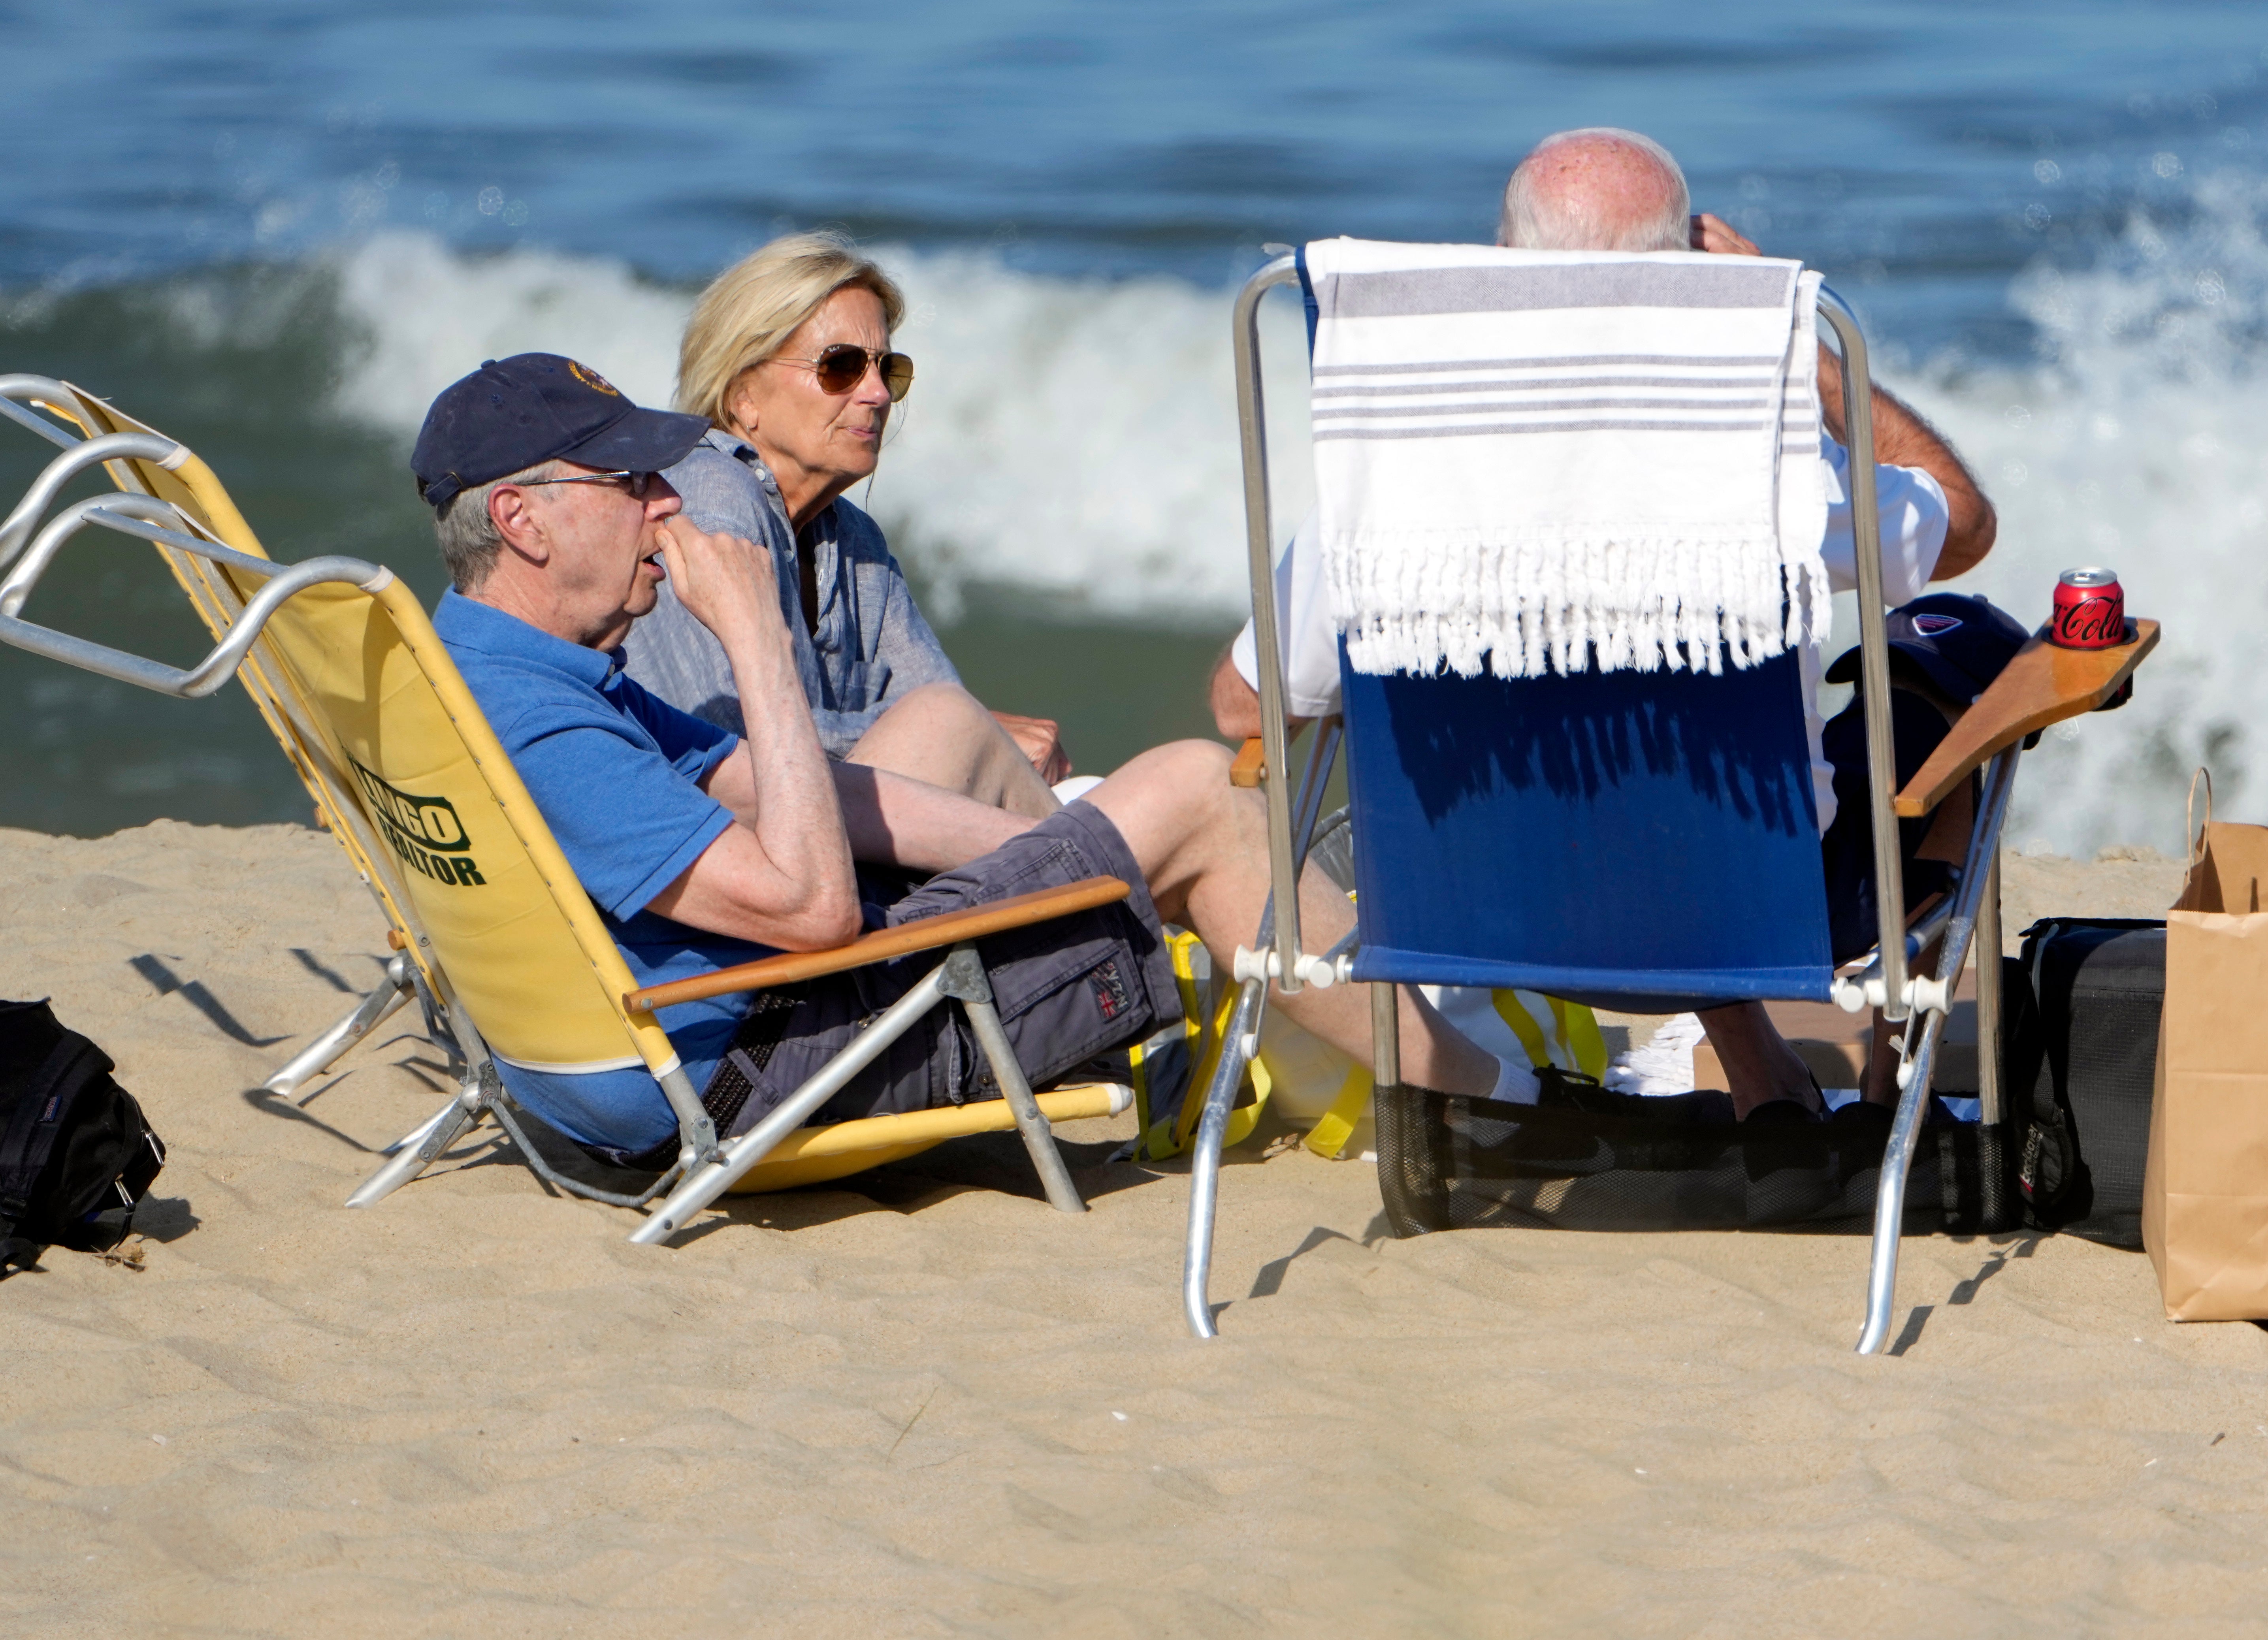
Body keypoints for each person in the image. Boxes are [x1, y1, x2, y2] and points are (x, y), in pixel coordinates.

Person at [412, 354, 1498, 1165]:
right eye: (633, 483)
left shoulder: (479, 657)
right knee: (1204, 789)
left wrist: (1083, 847)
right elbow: (813, 913)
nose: (668, 503)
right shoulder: (542, 719)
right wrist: (753, 638)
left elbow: (788, 787)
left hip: (634, 1047)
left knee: (987, 746)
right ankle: (1492, 1099)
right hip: (739, 1075)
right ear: (524, 519)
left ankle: (1217, 927)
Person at [1207, 128, 2000, 1117]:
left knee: (1589, 733)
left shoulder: (1394, 492)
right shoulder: (1771, 473)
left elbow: (1246, 708)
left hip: (1469, 912)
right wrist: (1798, 348)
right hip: (1761, 919)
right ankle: (1885, 1115)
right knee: (1962, 672)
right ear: (1685, 280)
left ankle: (1764, 1078)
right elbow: (1961, 522)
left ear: (1501, 270)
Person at [621, 232, 1071, 820]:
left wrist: (983, 738)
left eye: (889, 368)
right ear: (743, 397)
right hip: (722, 852)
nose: (879, 393)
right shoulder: (707, 494)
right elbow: (729, 734)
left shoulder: (853, 539)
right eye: (841, 367)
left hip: (825, 830)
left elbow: (934, 701)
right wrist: (982, 735)